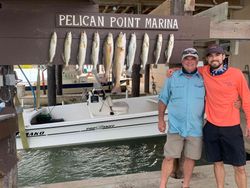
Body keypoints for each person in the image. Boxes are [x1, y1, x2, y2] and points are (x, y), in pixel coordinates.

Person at [200, 44, 250, 188]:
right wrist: (174, 70)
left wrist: (249, 122)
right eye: (210, 55)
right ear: (207, 59)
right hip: (211, 126)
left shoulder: (236, 74)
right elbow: (189, 69)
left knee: (239, 166)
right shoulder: (204, 71)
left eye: (217, 55)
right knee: (217, 163)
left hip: (232, 128)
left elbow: (246, 99)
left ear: (223, 57)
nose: (214, 58)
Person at [158, 48, 205, 188]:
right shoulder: (172, 77)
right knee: (169, 157)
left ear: (197, 61)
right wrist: (160, 119)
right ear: (182, 60)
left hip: (195, 127)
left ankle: (186, 185)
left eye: (193, 58)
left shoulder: (204, 78)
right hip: (175, 126)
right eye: (186, 58)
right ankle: (162, 185)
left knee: (190, 158)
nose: (189, 61)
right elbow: (163, 99)